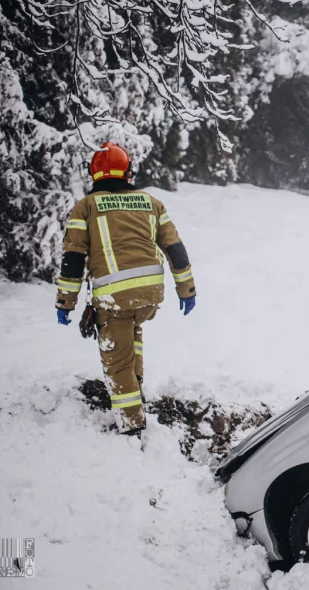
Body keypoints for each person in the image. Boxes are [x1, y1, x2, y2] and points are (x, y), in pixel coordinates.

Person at [55, 142, 197, 437]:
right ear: (127, 171)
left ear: (94, 174)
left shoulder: (86, 207)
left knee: (116, 361)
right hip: (149, 296)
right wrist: (187, 289)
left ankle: (131, 426)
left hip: (114, 297)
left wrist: (65, 303)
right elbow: (175, 249)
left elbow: (73, 261)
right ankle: (137, 393)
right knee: (132, 335)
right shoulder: (151, 202)